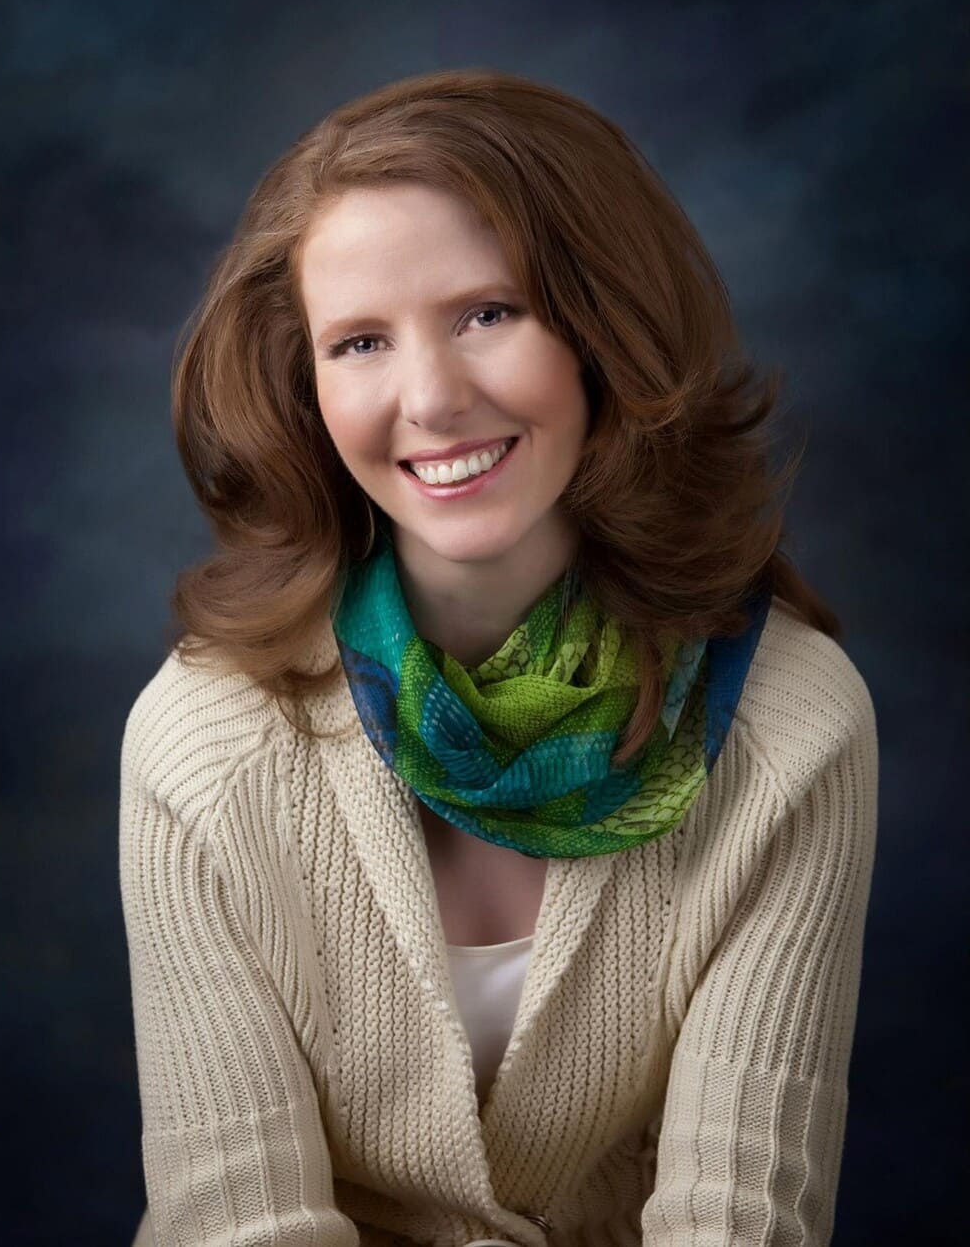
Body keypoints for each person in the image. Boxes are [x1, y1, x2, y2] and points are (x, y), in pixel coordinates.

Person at [120, 68, 878, 1247]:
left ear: (603, 328)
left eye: (487, 312)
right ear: (303, 389)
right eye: (359, 341)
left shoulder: (789, 724)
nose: (430, 397)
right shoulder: (200, 741)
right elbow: (240, 1227)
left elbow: (737, 1224)